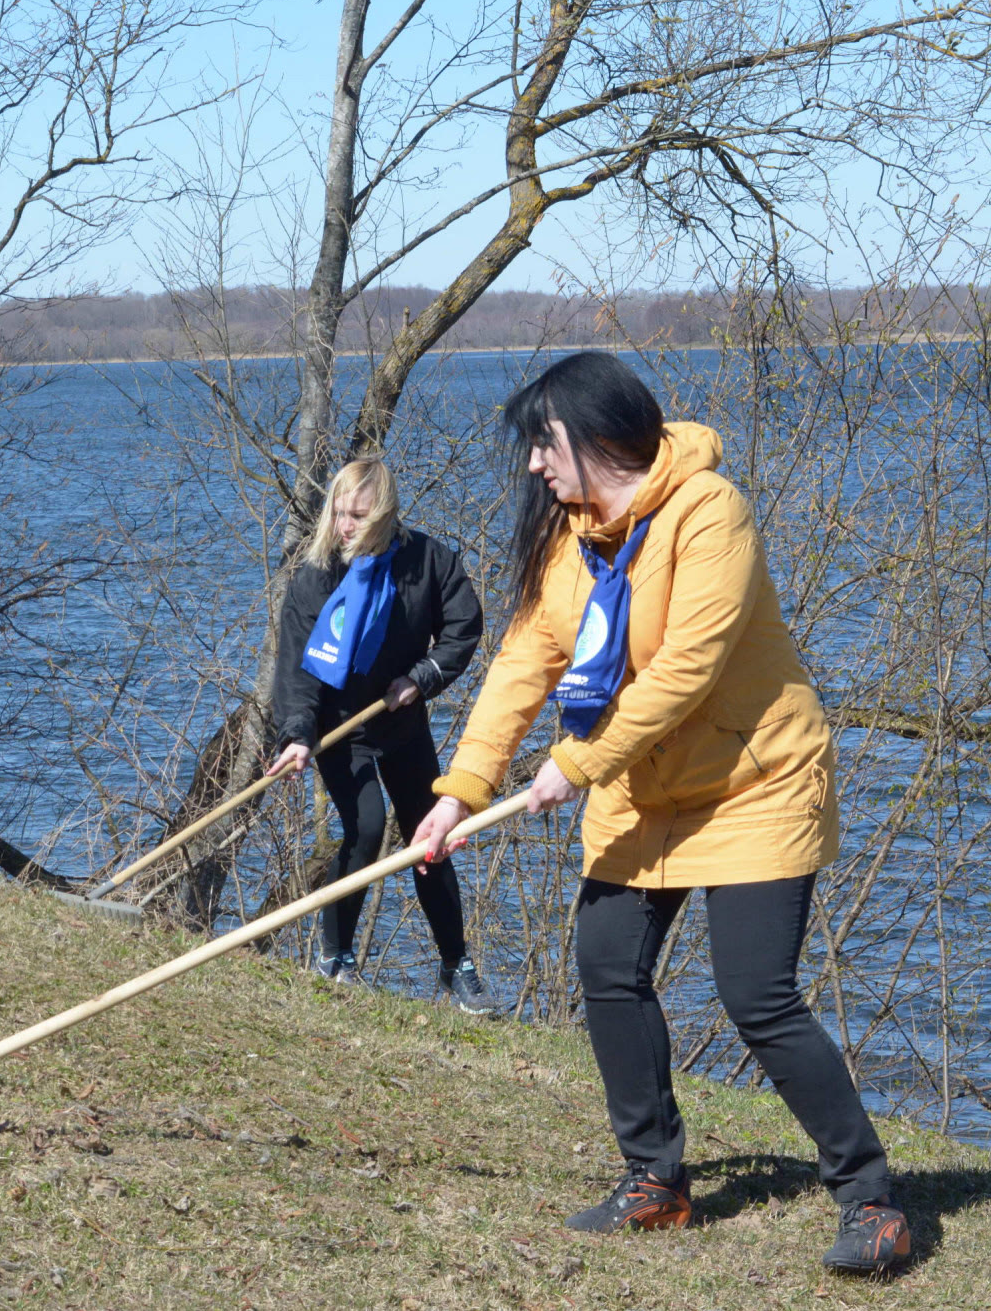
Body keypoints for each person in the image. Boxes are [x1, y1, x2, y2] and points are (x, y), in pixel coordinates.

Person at [413, 351, 907, 1272]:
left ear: (598, 437)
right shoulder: (568, 537)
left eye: (542, 442)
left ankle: (872, 1197)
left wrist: (578, 761)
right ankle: (656, 1179)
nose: (531, 464)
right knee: (606, 965)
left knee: (754, 992)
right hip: (644, 792)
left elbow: (687, 668)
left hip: (755, 783)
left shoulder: (712, 513)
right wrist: (458, 794)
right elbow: (522, 668)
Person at [265, 458, 490, 1011]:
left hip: (402, 722)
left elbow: (463, 628)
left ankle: (456, 966)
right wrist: (296, 734)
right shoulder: (316, 576)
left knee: (428, 839)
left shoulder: (428, 561)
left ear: (385, 514)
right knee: (364, 830)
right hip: (340, 729)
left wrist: (422, 678)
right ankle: (335, 959)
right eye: (339, 512)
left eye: (358, 515)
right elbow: (294, 671)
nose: (345, 525)